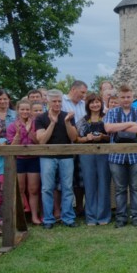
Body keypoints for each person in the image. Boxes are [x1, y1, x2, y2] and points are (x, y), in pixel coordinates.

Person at [104, 84, 137, 228]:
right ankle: (121, 217)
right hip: (117, 157)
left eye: (128, 97)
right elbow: (108, 128)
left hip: (136, 156)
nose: (126, 100)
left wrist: (119, 126)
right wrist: (129, 124)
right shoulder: (112, 112)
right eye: (123, 97)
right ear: (119, 98)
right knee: (120, 188)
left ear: (132, 97)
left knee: (136, 188)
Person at [34, 89, 78, 229]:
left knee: (68, 188)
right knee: (47, 188)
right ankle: (48, 219)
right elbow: (41, 140)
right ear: (48, 101)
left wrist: (66, 123)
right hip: (47, 157)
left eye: (59, 101)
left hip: (66, 157)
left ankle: (68, 218)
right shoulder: (41, 118)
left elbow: (73, 138)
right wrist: (52, 123)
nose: (57, 104)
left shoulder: (68, 116)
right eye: (54, 101)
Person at [75, 92, 112, 226]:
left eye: (97, 102)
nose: (95, 104)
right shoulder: (82, 120)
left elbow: (112, 137)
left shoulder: (107, 118)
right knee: (89, 185)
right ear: (88, 105)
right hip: (87, 155)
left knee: (103, 184)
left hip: (104, 154)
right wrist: (87, 138)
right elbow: (76, 138)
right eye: (92, 102)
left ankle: (103, 216)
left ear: (101, 104)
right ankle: (90, 216)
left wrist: (102, 137)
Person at [7, 100, 41, 225]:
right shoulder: (12, 125)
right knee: (20, 189)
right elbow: (12, 147)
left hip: (33, 159)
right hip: (19, 159)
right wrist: (18, 134)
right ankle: (22, 217)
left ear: (31, 111)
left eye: (27, 109)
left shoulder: (36, 124)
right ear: (18, 110)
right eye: (22, 109)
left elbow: (39, 142)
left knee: (33, 189)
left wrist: (29, 132)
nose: (25, 112)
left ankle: (34, 216)